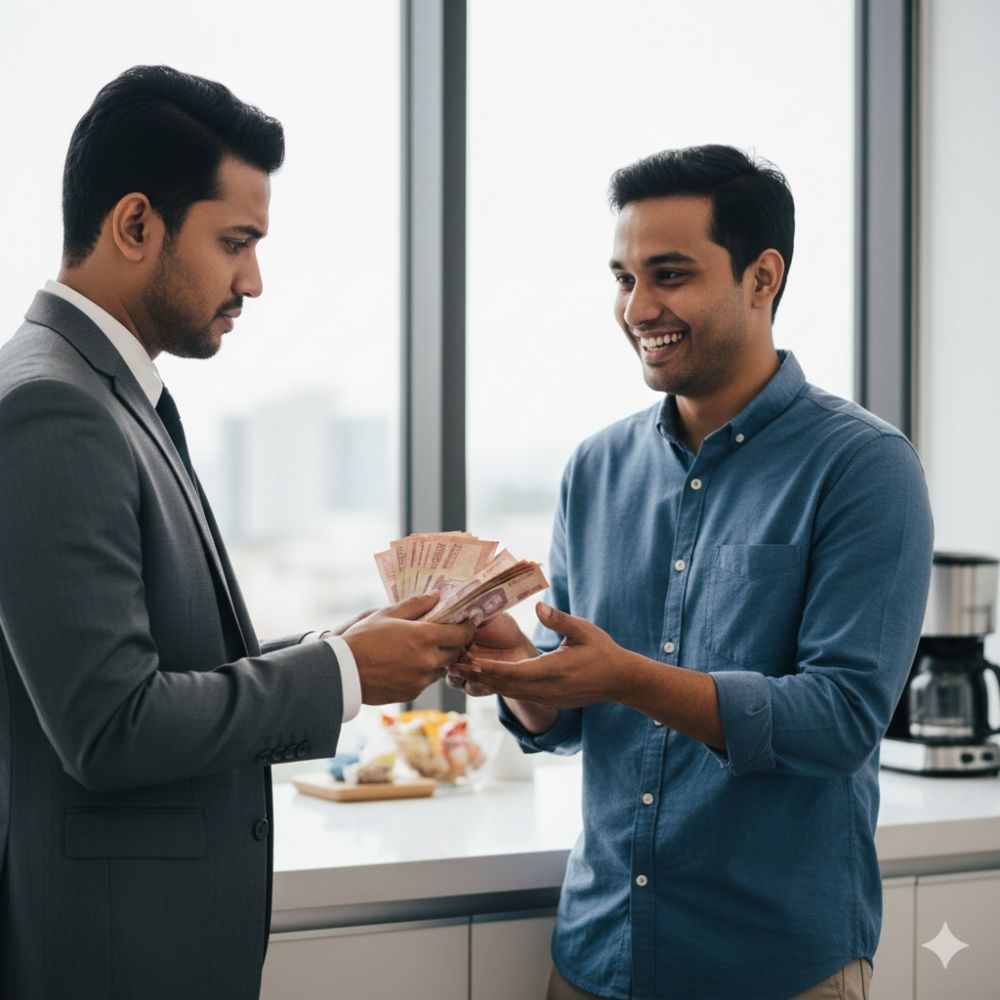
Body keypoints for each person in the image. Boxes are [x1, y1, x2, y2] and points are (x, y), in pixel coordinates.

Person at [0, 65, 475, 1000]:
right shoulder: (54, 407)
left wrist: (340, 645)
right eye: (235, 242)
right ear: (136, 225)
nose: (252, 280)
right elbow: (111, 726)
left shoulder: (103, 391)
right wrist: (343, 675)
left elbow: (172, 664)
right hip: (114, 962)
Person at [451, 145, 933, 1000]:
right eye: (623, 278)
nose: (638, 308)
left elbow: (840, 720)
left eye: (669, 275)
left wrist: (626, 677)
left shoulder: (863, 465)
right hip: (596, 954)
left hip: (775, 967)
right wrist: (512, 666)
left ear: (762, 277)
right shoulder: (594, 468)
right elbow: (569, 718)